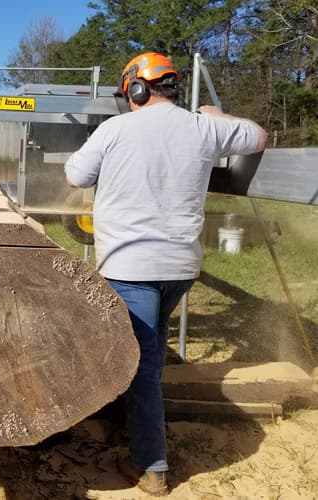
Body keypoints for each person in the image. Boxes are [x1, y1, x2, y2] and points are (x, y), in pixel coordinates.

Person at [64, 52, 267, 496]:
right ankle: (131, 425)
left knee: (142, 363)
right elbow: (258, 136)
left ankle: (151, 465)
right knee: (146, 348)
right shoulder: (203, 126)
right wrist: (216, 113)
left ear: (135, 89)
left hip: (129, 267)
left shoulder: (114, 129)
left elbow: (76, 176)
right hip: (179, 269)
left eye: (128, 93)